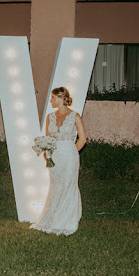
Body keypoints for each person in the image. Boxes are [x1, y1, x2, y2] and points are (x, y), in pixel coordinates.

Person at [30, 87, 87, 235]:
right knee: (56, 186)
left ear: (62, 99)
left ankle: (67, 220)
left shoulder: (75, 116)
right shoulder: (50, 117)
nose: (51, 100)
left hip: (69, 156)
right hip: (54, 157)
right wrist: (48, 153)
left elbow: (83, 139)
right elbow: (49, 138)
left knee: (68, 185)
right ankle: (53, 218)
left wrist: (72, 151)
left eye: (53, 98)